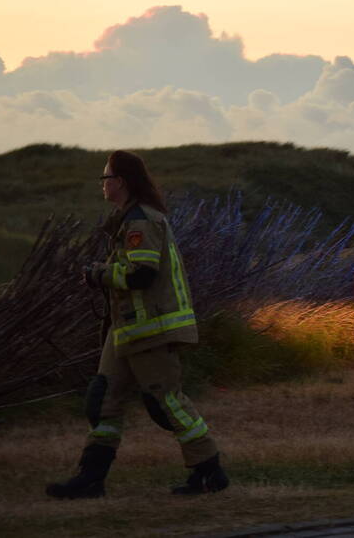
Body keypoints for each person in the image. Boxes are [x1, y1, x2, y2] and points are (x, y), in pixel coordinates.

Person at [46, 150, 228, 499]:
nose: (102, 184)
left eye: (106, 178)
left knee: (167, 403)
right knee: (103, 401)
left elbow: (141, 275)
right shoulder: (128, 220)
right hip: (127, 331)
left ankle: (209, 471)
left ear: (121, 182)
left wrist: (99, 274)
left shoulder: (142, 221)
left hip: (152, 330)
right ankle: (91, 479)